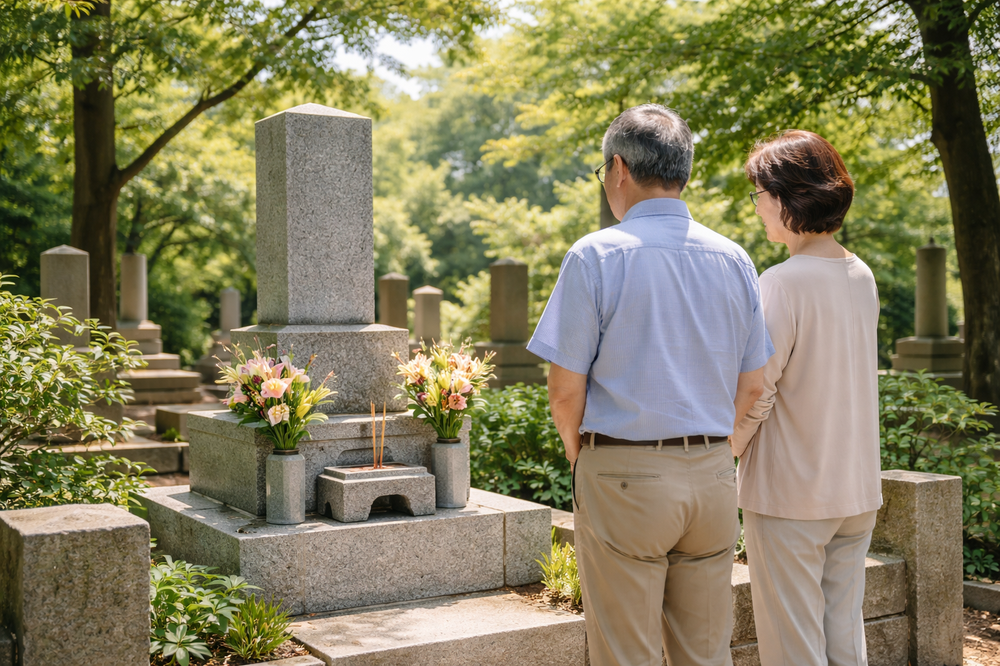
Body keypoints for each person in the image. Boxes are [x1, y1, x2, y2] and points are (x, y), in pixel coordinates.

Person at [527, 103, 773, 666]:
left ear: (618, 168)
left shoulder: (594, 255)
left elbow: (565, 391)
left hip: (623, 472)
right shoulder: (735, 259)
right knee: (706, 653)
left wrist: (582, 459)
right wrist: (717, 454)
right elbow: (754, 387)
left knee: (626, 654)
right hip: (713, 474)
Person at [731, 130, 882, 666]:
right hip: (855, 489)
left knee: (793, 646)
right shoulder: (861, 274)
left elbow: (757, 389)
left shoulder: (782, 282)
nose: (756, 207)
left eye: (759, 194)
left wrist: (723, 452)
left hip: (791, 492)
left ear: (785, 197)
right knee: (844, 639)